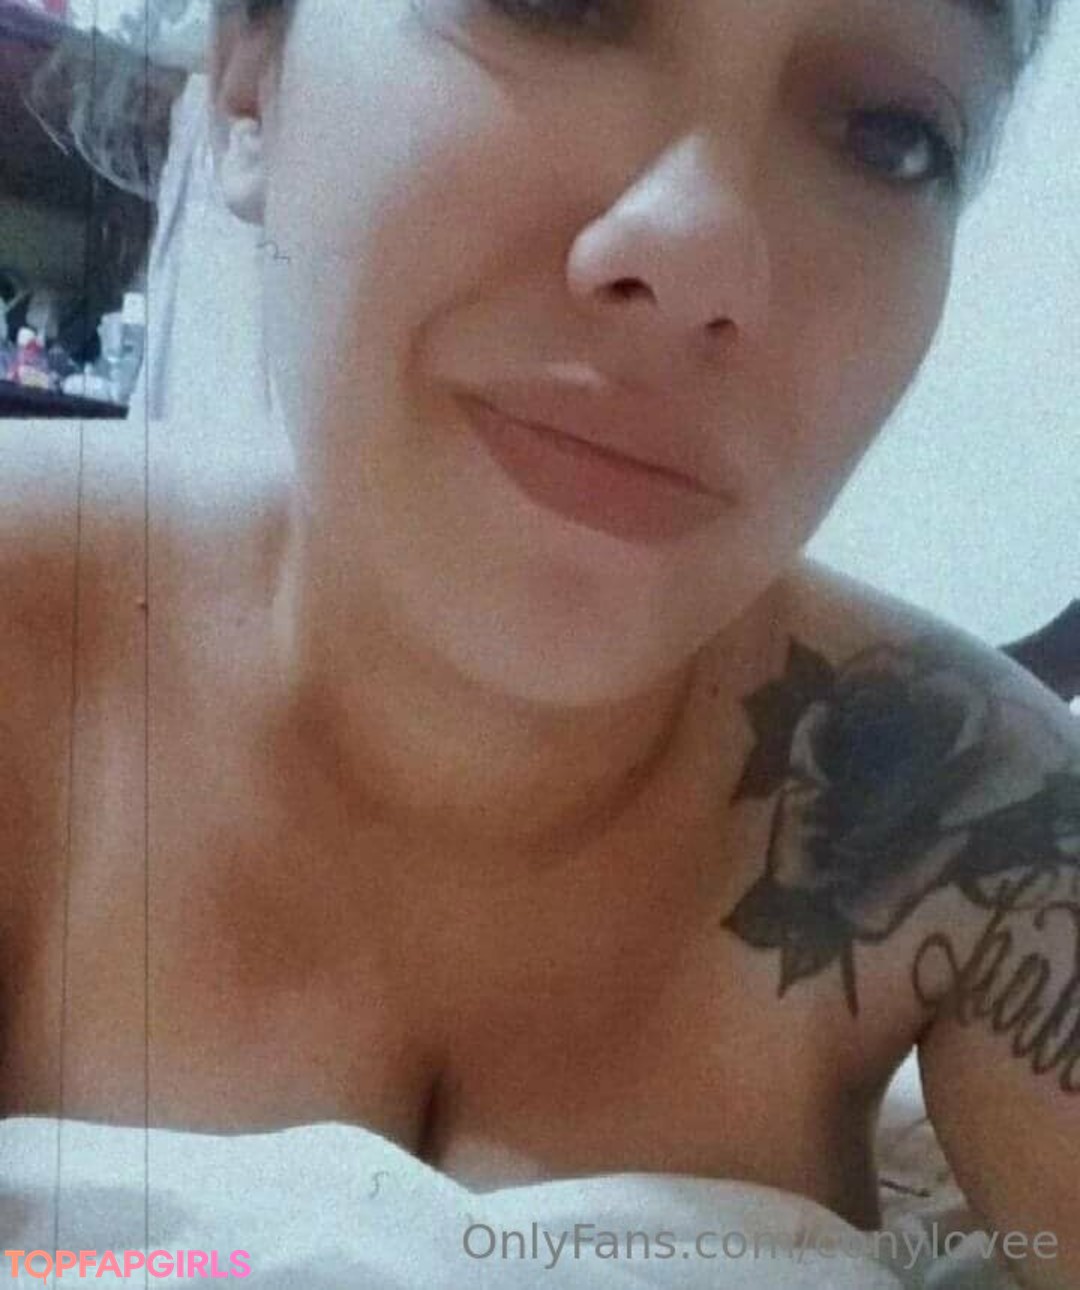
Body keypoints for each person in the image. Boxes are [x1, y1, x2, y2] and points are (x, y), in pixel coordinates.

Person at [1, 1, 1076, 1286]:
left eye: (893, 134)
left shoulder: (978, 814)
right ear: (247, 81)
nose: (696, 251)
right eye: (557, 5)